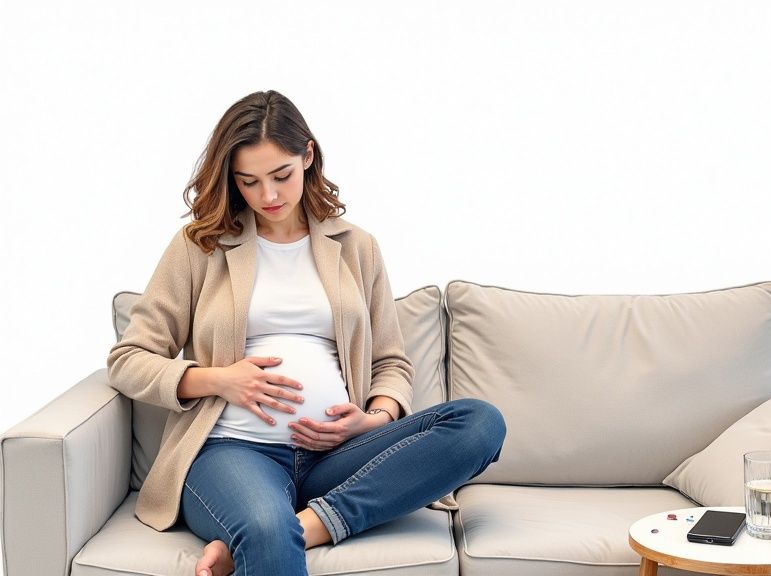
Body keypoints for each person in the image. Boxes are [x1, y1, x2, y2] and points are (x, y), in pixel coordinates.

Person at [106, 90, 506, 576]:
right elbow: (128, 359)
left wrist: (376, 418)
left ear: (308, 156)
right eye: (249, 182)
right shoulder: (200, 245)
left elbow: (391, 362)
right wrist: (219, 379)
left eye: (281, 176)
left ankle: (305, 525)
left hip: (338, 457)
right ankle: (272, 529)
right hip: (232, 451)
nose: (268, 196)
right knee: (265, 529)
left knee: (480, 422)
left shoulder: (356, 246)